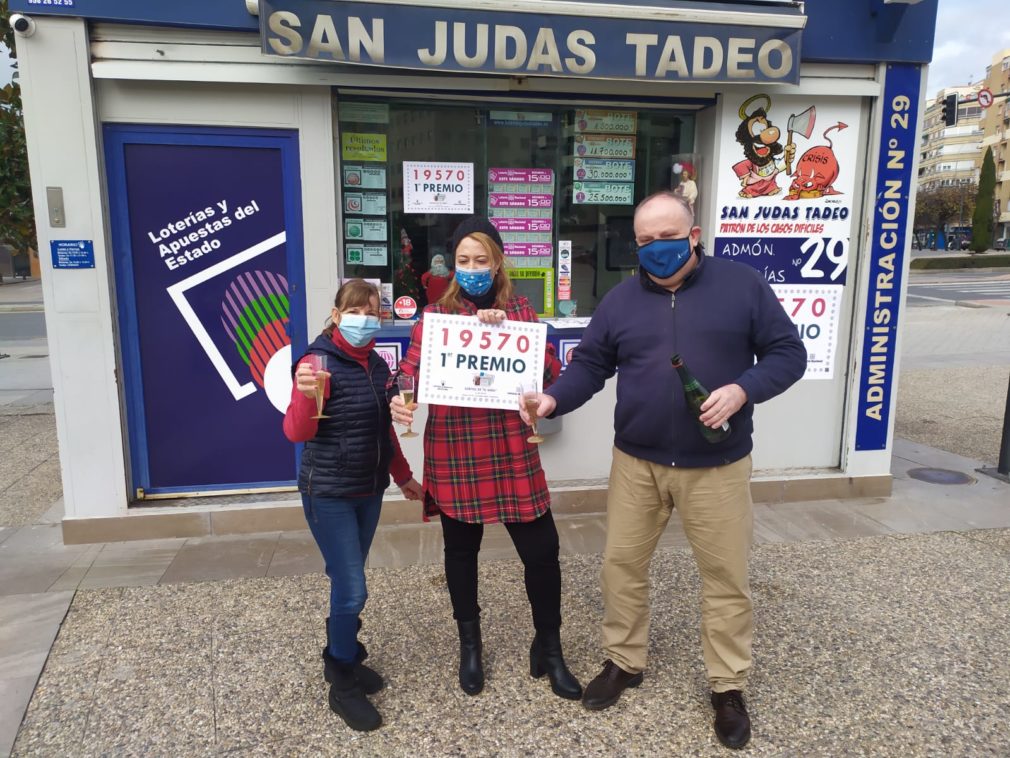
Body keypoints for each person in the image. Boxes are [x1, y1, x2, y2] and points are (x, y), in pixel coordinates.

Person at [521, 192, 806, 749]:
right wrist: (554, 400)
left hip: (716, 466)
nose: (657, 248)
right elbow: (591, 365)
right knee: (621, 566)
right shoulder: (622, 300)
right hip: (637, 462)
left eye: (668, 236)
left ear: (694, 235)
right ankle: (624, 661)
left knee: (725, 580)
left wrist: (742, 389)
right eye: (646, 240)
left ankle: (727, 686)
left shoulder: (742, 286)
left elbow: (787, 355)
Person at [389, 215, 581, 701]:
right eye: (463, 260)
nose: (472, 267)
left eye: (482, 259)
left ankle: (550, 646)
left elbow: (553, 371)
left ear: (498, 262)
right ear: (453, 266)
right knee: (461, 552)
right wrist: (401, 397)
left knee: (542, 550)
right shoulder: (434, 319)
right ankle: (469, 645)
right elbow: (408, 377)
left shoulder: (521, 312)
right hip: (455, 446)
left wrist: (509, 333)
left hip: (512, 448)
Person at [283, 278, 423, 732]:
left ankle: (346, 654)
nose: (366, 319)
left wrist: (403, 478)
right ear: (338, 313)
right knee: (353, 587)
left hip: (368, 490)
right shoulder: (315, 362)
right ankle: (341, 678)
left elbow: (384, 430)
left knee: (349, 582)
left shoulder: (377, 367)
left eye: (374, 313)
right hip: (328, 493)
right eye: (356, 310)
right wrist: (305, 394)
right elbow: (296, 433)